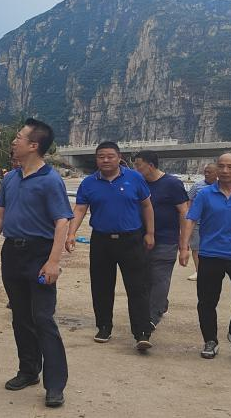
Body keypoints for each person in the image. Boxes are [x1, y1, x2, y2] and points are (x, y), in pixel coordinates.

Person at [0, 118, 73, 408]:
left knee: (43, 318)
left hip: (40, 253)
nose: (13, 141)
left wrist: (53, 262)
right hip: (13, 253)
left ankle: (55, 384)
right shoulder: (11, 178)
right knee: (20, 316)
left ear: (33, 145)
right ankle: (29, 370)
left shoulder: (51, 180)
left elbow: (62, 222)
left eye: (18, 137)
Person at [66, 142, 155, 350]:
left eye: (110, 156)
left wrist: (150, 233)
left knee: (137, 287)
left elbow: (147, 206)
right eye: (101, 157)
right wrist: (71, 233)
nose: (105, 160)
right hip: (101, 240)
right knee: (101, 286)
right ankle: (104, 327)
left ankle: (142, 332)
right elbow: (80, 209)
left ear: (119, 157)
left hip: (131, 240)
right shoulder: (89, 183)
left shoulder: (134, 178)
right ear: (96, 159)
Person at [178, 152, 231, 360]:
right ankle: (210, 340)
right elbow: (190, 219)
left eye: (230, 167)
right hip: (210, 254)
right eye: (221, 166)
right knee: (206, 301)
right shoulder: (205, 194)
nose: (225, 170)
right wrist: (184, 247)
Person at [132, 151, 188, 330]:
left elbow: (184, 212)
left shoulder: (172, 184)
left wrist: (184, 245)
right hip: (139, 239)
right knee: (144, 278)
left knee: (159, 278)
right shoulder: (138, 183)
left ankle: (151, 318)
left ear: (150, 165)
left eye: (138, 165)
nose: (136, 169)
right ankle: (160, 303)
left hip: (166, 240)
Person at [186, 163, 218, 281]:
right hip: (197, 222)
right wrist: (189, 216)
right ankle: (198, 271)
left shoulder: (221, 187)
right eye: (205, 172)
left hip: (214, 223)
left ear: (217, 173)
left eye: (209, 172)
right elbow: (189, 201)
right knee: (196, 247)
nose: (206, 174)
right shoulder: (197, 186)